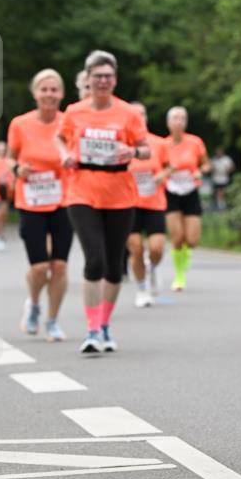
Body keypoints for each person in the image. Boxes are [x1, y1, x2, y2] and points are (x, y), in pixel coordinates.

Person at [56, 50, 150, 353]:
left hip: (120, 194)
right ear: (88, 79)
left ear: (115, 79)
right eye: (97, 76)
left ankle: (105, 324)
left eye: (108, 76)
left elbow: (146, 149)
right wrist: (65, 155)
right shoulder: (74, 111)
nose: (103, 81)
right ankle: (93, 330)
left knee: (113, 266)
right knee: (93, 259)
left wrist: (132, 153)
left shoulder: (128, 113)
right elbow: (60, 138)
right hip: (82, 192)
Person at [8, 69, 73, 342]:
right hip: (31, 201)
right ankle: (34, 305)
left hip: (64, 200)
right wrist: (18, 169)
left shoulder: (69, 123)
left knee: (58, 267)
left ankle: (53, 321)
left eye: (54, 89)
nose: (49, 94)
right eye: (44, 89)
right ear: (35, 93)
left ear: (62, 94)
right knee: (39, 268)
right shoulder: (20, 124)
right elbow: (10, 161)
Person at [127, 101, 171, 307]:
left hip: (154, 202)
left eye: (142, 114)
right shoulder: (123, 143)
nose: (139, 117)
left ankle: (151, 268)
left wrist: (161, 176)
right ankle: (142, 288)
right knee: (135, 248)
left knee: (157, 248)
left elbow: (170, 166)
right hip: (129, 203)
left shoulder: (159, 143)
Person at [164, 106, 210, 291]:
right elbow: (157, 168)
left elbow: (206, 164)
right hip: (171, 191)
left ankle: (186, 254)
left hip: (191, 191)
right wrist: (167, 172)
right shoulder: (163, 145)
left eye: (182, 118)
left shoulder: (195, 142)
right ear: (168, 122)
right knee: (177, 238)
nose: (178, 122)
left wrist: (200, 171)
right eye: (175, 118)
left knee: (192, 240)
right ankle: (179, 275)